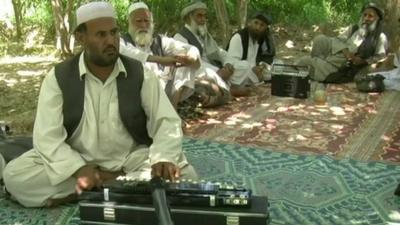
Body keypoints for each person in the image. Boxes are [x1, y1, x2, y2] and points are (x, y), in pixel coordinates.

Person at [2, 2, 197, 208]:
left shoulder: (140, 73)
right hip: (77, 160)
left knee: (186, 176)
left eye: (114, 33)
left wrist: (163, 157)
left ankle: (95, 186)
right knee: (15, 175)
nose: (111, 41)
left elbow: (166, 120)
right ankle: (121, 187)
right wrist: (78, 169)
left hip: (131, 161)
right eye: (101, 35)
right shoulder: (58, 78)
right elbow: (47, 137)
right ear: (81, 38)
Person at [121, 2, 230, 108]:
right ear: (129, 23)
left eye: (147, 21)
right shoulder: (122, 41)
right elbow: (131, 54)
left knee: (183, 64)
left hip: (163, 89)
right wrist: (161, 60)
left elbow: (189, 48)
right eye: (139, 21)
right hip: (138, 92)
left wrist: (191, 56)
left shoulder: (159, 41)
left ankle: (173, 110)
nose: (143, 25)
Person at [174, 0, 253, 97]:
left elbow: (220, 52)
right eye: (199, 16)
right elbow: (187, 65)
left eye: (204, 16)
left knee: (244, 65)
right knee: (211, 75)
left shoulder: (204, 35)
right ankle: (229, 89)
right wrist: (217, 72)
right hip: (199, 72)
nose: (203, 19)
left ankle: (225, 86)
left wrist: (227, 64)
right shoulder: (180, 37)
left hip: (215, 68)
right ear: (189, 17)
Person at [297, 2, 388, 83]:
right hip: (335, 55)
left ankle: (317, 68)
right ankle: (317, 65)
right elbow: (337, 39)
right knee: (320, 39)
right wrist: (345, 51)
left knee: (304, 61)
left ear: (377, 19)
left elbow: (380, 57)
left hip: (343, 68)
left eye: (370, 16)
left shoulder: (380, 37)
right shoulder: (354, 29)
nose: (366, 18)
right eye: (365, 15)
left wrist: (363, 61)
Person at [226, 11, 276, 82]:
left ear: (265, 28)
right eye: (256, 23)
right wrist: (251, 70)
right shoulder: (238, 37)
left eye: (262, 25)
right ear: (250, 22)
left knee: (277, 65)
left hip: (253, 73)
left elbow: (268, 56)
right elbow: (231, 64)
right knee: (245, 65)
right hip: (239, 75)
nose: (258, 27)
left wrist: (261, 67)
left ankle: (255, 80)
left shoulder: (260, 38)